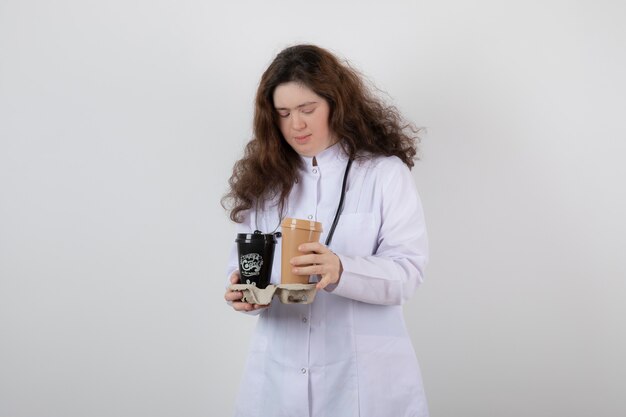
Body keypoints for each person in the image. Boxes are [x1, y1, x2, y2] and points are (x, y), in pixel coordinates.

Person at [222, 44, 429, 417]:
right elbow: (243, 267)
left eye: (307, 109)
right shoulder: (265, 181)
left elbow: (408, 272)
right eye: (283, 113)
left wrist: (342, 269)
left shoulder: (383, 174)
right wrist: (244, 294)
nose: (295, 125)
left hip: (364, 382)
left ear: (337, 103)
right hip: (277, 381)